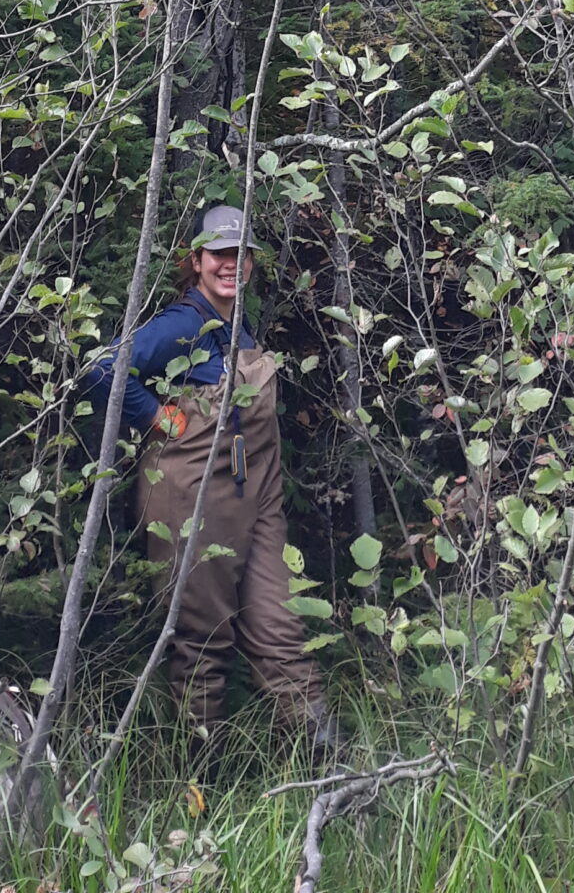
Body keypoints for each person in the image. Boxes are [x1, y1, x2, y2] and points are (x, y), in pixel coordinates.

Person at [83, 204, 341, 753]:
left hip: (255, 501)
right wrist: (156, 415)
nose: (232, 264)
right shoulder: (183, 323)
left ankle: (327, 764)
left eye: (240, 254)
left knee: (281, 629)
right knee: (201, 643)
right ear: (197, 260)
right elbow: (104, 370)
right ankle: (199, 782)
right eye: (220, 254)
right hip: (192, 499)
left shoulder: (238, 321)